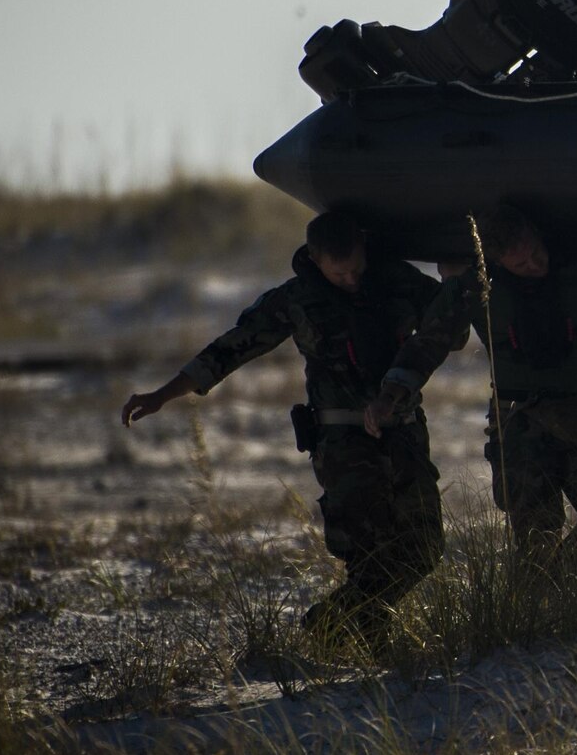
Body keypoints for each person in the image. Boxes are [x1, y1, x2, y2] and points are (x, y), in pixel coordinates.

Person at [120, 212, 454, 649]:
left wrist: (456, 279)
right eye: (340, 274)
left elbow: (452, 324)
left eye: (357, 268)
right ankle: (352, 635)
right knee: (369, 556)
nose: (352, 280)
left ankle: (341, 625)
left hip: (405, 432)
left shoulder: (397, 280)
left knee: (424, 549)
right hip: (344, 444)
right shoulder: (296, 300)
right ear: (316, 262)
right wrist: (164, 394)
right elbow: (231, 348)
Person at [365, 205, 577, 573]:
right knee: (536, 537)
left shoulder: (575, 275)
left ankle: (570, 594)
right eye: (522, 264)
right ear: (497, 263)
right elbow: (430, 341)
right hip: (520, 424)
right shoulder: (477, 288)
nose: (535, 266)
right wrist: (392, 394)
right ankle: (546, 611)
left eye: (536, 254)